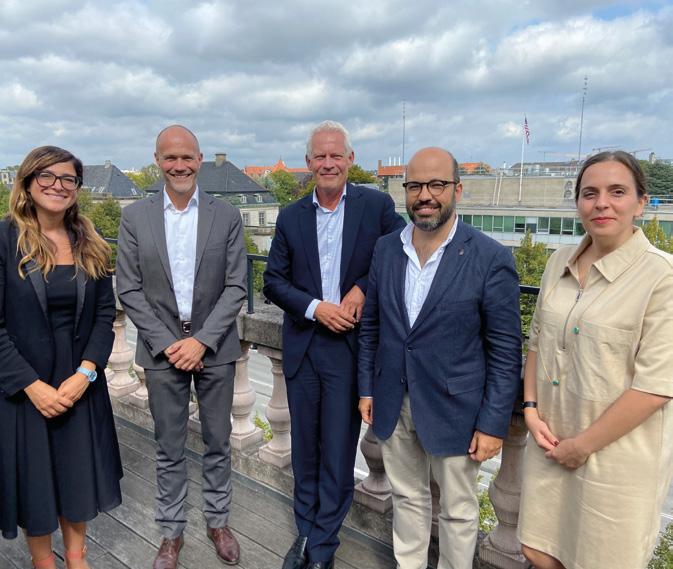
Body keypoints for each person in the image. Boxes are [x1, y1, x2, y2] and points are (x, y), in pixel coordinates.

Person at [358, 147, 522, 569]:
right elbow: (372, 326)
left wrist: (492, 423)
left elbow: (506, 352)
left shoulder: (490, 257)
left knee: (458, 510)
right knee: (407, 498)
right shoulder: (386, 249)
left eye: (436, 184)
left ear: (457, 190)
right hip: (393, 400)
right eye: (415, 186)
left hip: (457, 410)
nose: (425, 195)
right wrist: (366, 388)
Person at [518, 151, 673, 569]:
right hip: (551, 441)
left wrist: (582, 447)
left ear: (641, 202)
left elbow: (655, 386)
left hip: (615, 462)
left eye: (617, 192)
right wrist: (530, 409)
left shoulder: (662, 277)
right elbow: (537, 341)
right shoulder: (558, 261)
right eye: (590, 193)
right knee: (539, 550)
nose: (601, 203)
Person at [263, 120, 405, 569]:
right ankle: (306, 533)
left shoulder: (376, 206)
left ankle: (322, 547)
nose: (328, 163)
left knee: (338, 453)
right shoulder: (290, 216)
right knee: (305, 452)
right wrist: (315, 308)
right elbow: (272, 281)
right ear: (309, 162)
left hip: (349, 351)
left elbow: (402, 251)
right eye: (320, 156)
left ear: (350, 159)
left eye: (336, 155)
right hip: (305, 347)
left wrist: (362, 287)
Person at [116, 125, 247, 569]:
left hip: (216, 348)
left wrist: (201, 342)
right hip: (161, 352)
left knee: (218, 441)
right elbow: (129, 288)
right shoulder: (135, 217)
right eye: (170, 157)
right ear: (157, 160)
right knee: (168, 446)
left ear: (200, 159)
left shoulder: (226, 216)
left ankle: (218, 521)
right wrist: (172, 344)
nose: (179, 165)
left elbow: (236, 286)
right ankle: (171, 532)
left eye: (187, 157)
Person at [0, 146, 121, 569]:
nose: (58, 185)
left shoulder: (90, 241)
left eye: (68, 178)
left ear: (77, 188)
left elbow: (105, 315)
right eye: (47, 176)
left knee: (76, 476)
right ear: (28, 183)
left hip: (78, 383)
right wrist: (31, 386)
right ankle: (43, 563)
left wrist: (86, 374)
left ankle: (75, 558)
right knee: (34, 481)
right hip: (23, 387)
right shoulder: (4, 240)